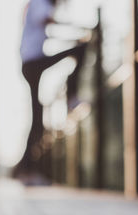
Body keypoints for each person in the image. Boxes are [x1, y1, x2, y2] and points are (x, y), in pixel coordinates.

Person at [15, 0, 87, 181]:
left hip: (32, 63)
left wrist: (72, 36)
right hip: (33, 63)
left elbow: (47, 31)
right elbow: (49, 21)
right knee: (79, 51)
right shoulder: (39, 2)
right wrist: (79, 28)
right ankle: (71, 97)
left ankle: (26, 170)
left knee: (37, 119)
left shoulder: (36, 4)